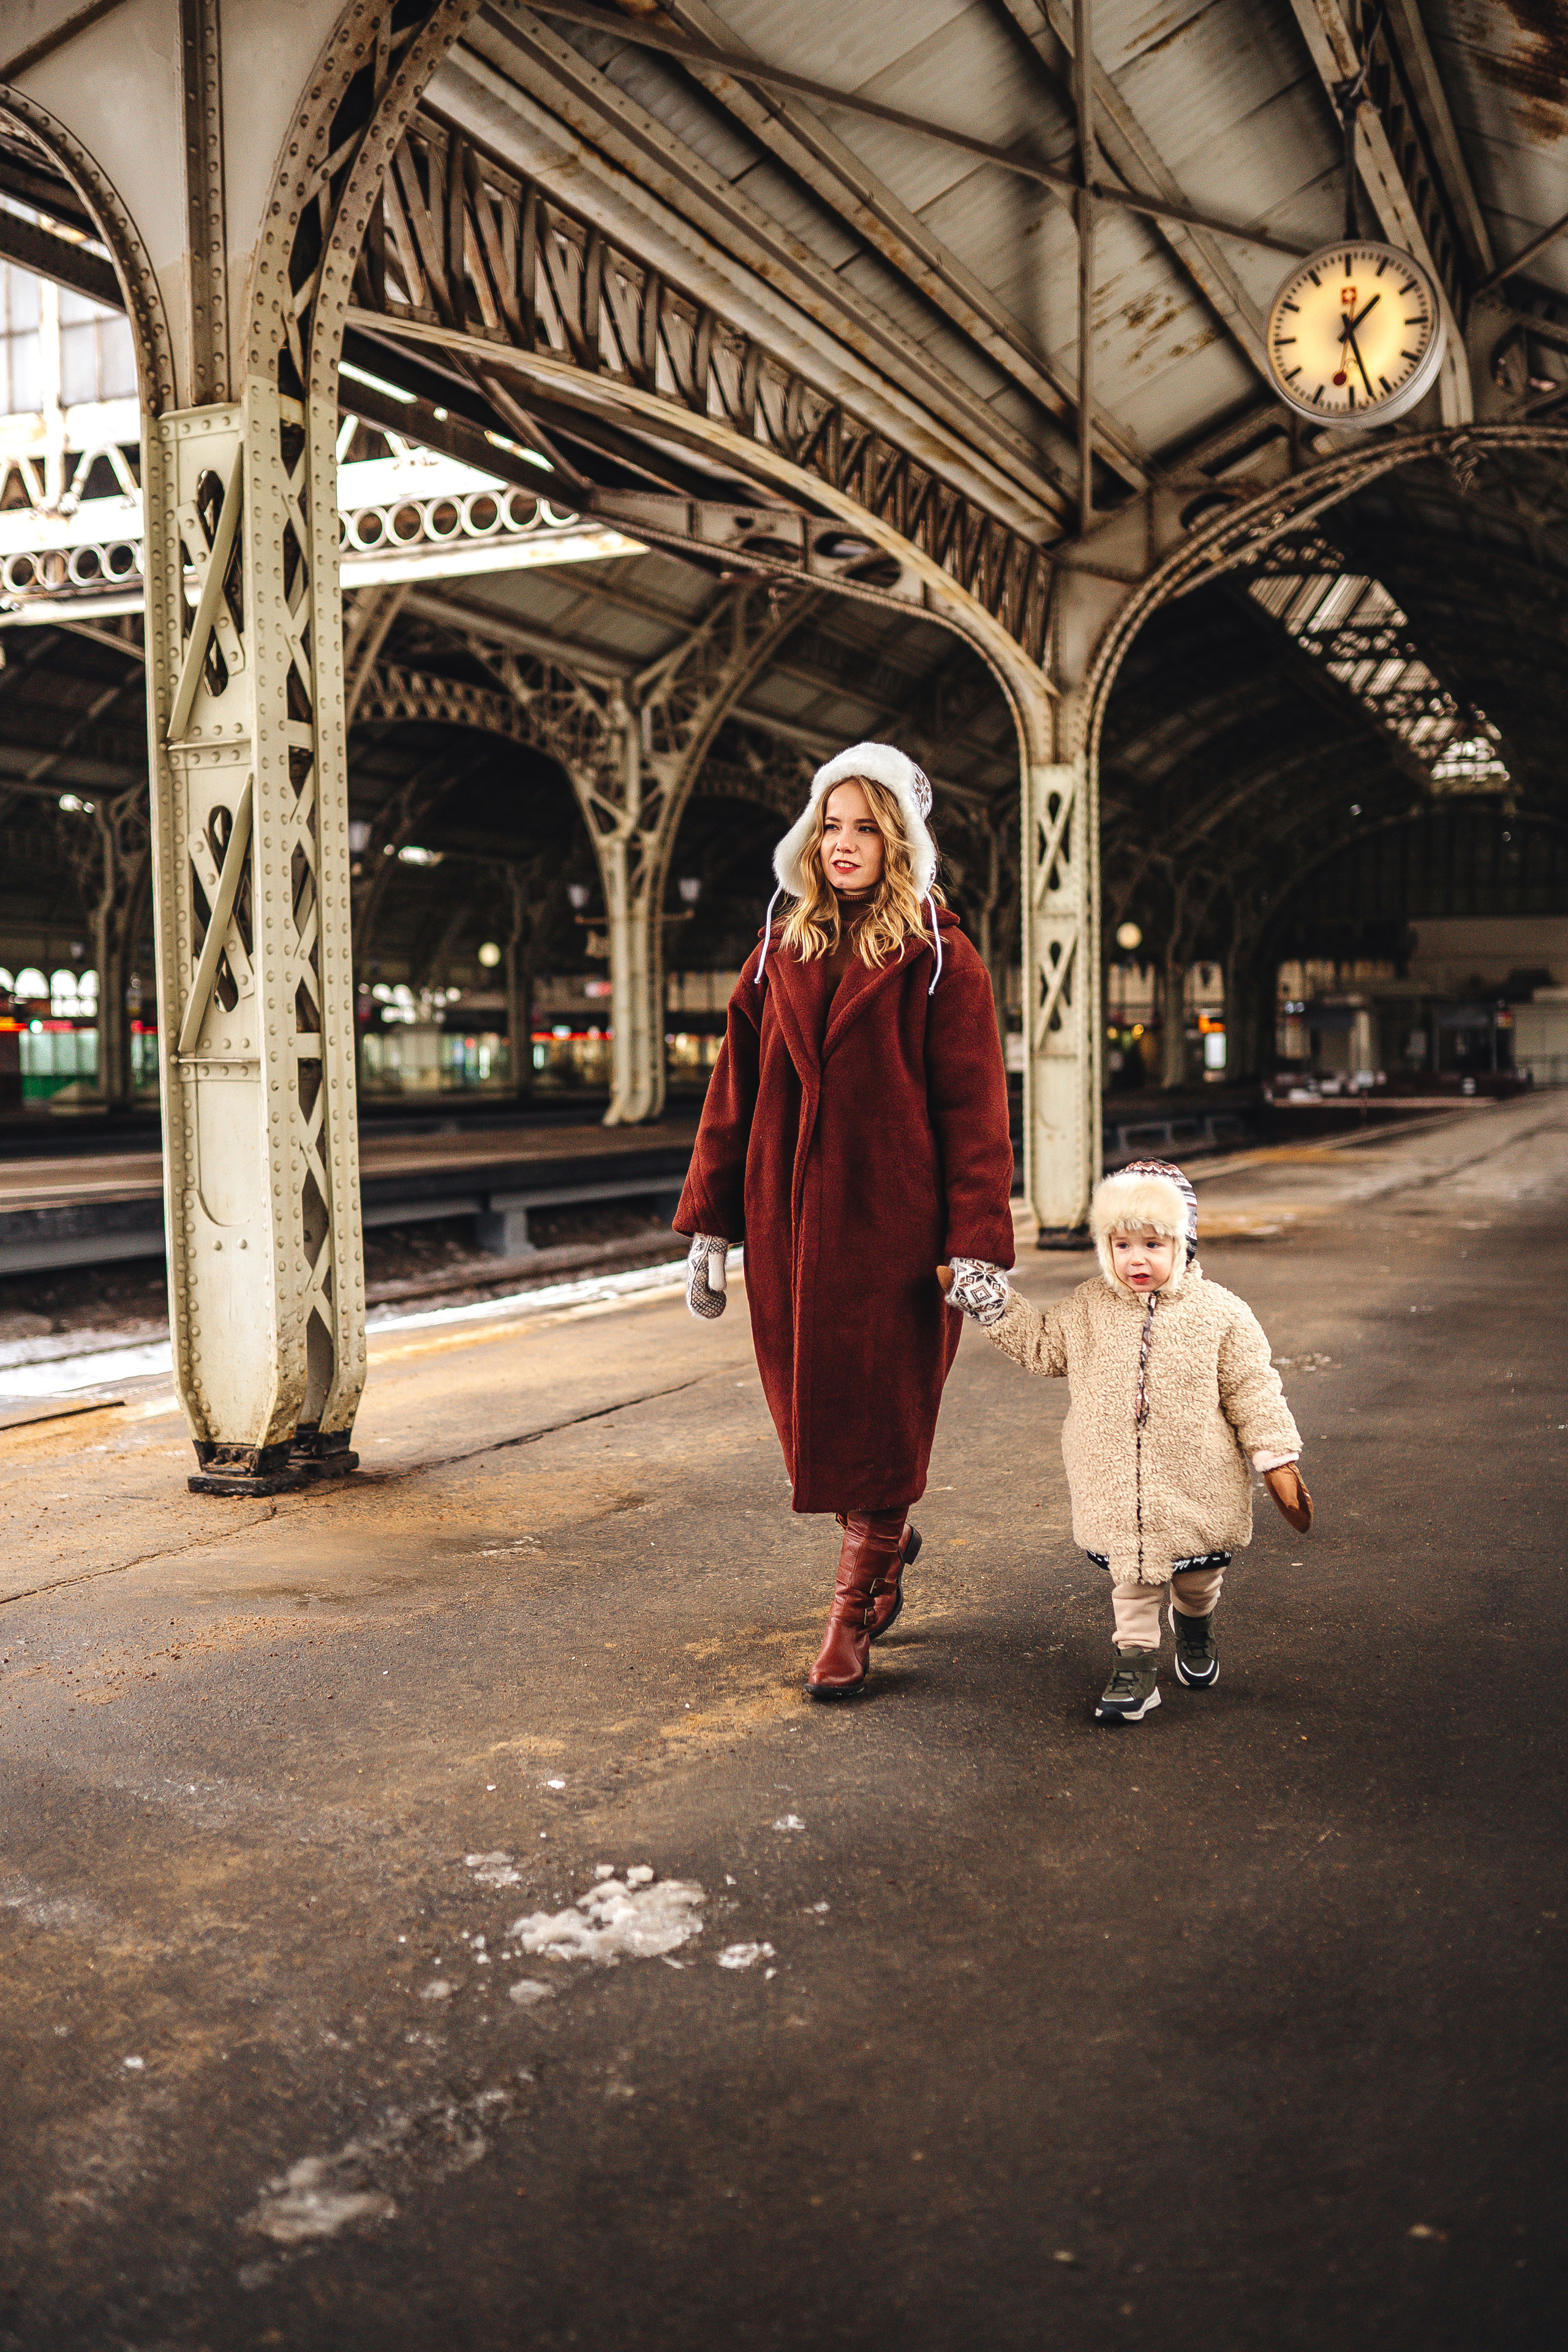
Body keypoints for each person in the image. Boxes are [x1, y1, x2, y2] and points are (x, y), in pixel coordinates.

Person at [674, 742, 1015, 1701]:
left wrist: (977, 1241)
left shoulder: (944, 960)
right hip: (790, 1228)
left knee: (884, 1411)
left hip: (895, 1233)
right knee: (815, 1414)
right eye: (832, 825)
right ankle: (886, 1538)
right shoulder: (776, 952)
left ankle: (852, 1611)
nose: (845, 844)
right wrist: (711, 1225)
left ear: (902, 839)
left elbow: (975, 1109)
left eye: (867, 827)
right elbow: (731, 1092)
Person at [943, 1160, 1312, 1724]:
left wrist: (1277, 1461)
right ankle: (1135, 1664)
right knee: (1133, 1578)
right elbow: (1043, 1346)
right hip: (1116, 1489)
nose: (1135, 1258)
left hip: (1198, 1485)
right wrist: (991, 1302)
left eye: (1152, 1243)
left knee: (1197, 1578)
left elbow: (1253, 1391)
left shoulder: (1222, 1314)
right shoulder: (1089, 1307)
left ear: (1184, 1244)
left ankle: (1195, 1623)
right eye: (1121, 1244)